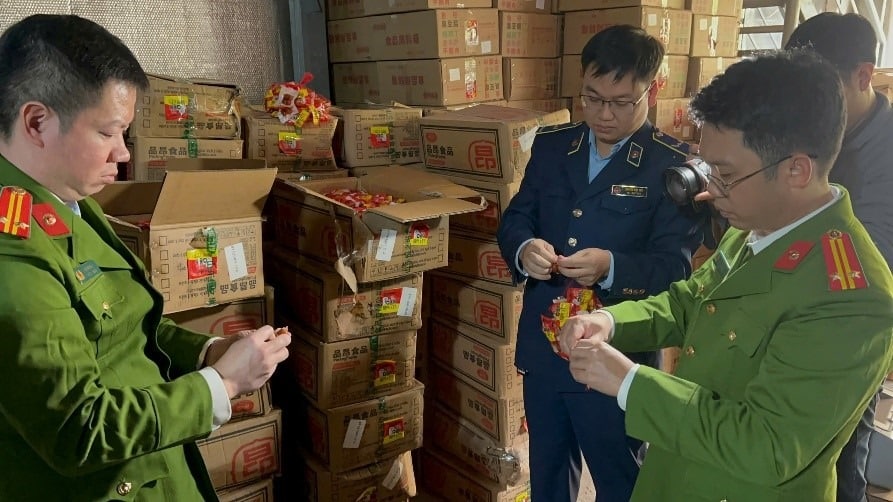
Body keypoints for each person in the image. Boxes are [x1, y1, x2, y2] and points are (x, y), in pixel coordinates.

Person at [559, 49, 893, 501]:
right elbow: (689, 302)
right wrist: (611, 321)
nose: (709, 190)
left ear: (796, 169)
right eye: (706, 167)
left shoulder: (850, 297)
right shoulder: (758, 225)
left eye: (726, 174)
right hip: (677, 469)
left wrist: (631, 383)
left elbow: (768, 446)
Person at [0, 14, 291, 501]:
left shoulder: (66, 199)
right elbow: (78, 429)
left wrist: (207, 353)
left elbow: (124, 327)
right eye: (108, 133)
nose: (123, 154)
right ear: (37, 123)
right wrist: (221, 384)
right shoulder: (13, 250)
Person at [496, 25, 705, 501]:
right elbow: (517, 217)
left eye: (621, 102)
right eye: (592, 98)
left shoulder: (671, 167)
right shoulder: (553, 146)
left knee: (620, 480)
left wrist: (612, 267)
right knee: (548, 475)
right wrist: (524, 248)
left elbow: (674, 271)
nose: (604, 114)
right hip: (546, 346)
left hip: (615, 355)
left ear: (653, 90)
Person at [786, 15, 893, 500]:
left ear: (863, 76)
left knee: (841, 461)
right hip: (790, 321)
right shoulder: (811, 130)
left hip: (849, 338)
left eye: (819, 89)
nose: (804, 106)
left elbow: (870, 267)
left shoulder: (885, 156)